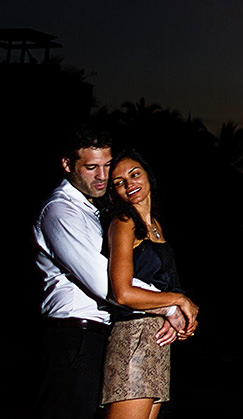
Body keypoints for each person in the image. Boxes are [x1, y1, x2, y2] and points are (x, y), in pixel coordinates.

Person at [35, 131, 181, 419]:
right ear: (67, 164)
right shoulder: (61, 211)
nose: (102, 176)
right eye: (92, 167)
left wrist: (170, 306)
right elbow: (109, 285)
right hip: (73, 335)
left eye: (106, 166)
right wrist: (174, 304)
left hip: (100, 334)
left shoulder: (91, 209)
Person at [100, 152, 200, 419]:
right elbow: (122, 293)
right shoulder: (124, 223)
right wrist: (178, 303)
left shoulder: (154, 226)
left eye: (134, 174)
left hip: (157, 342)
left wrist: (181, 320)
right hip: (133, 337)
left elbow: (164, 286)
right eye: (119, 182)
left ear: (148, 177)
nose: (129, 183)